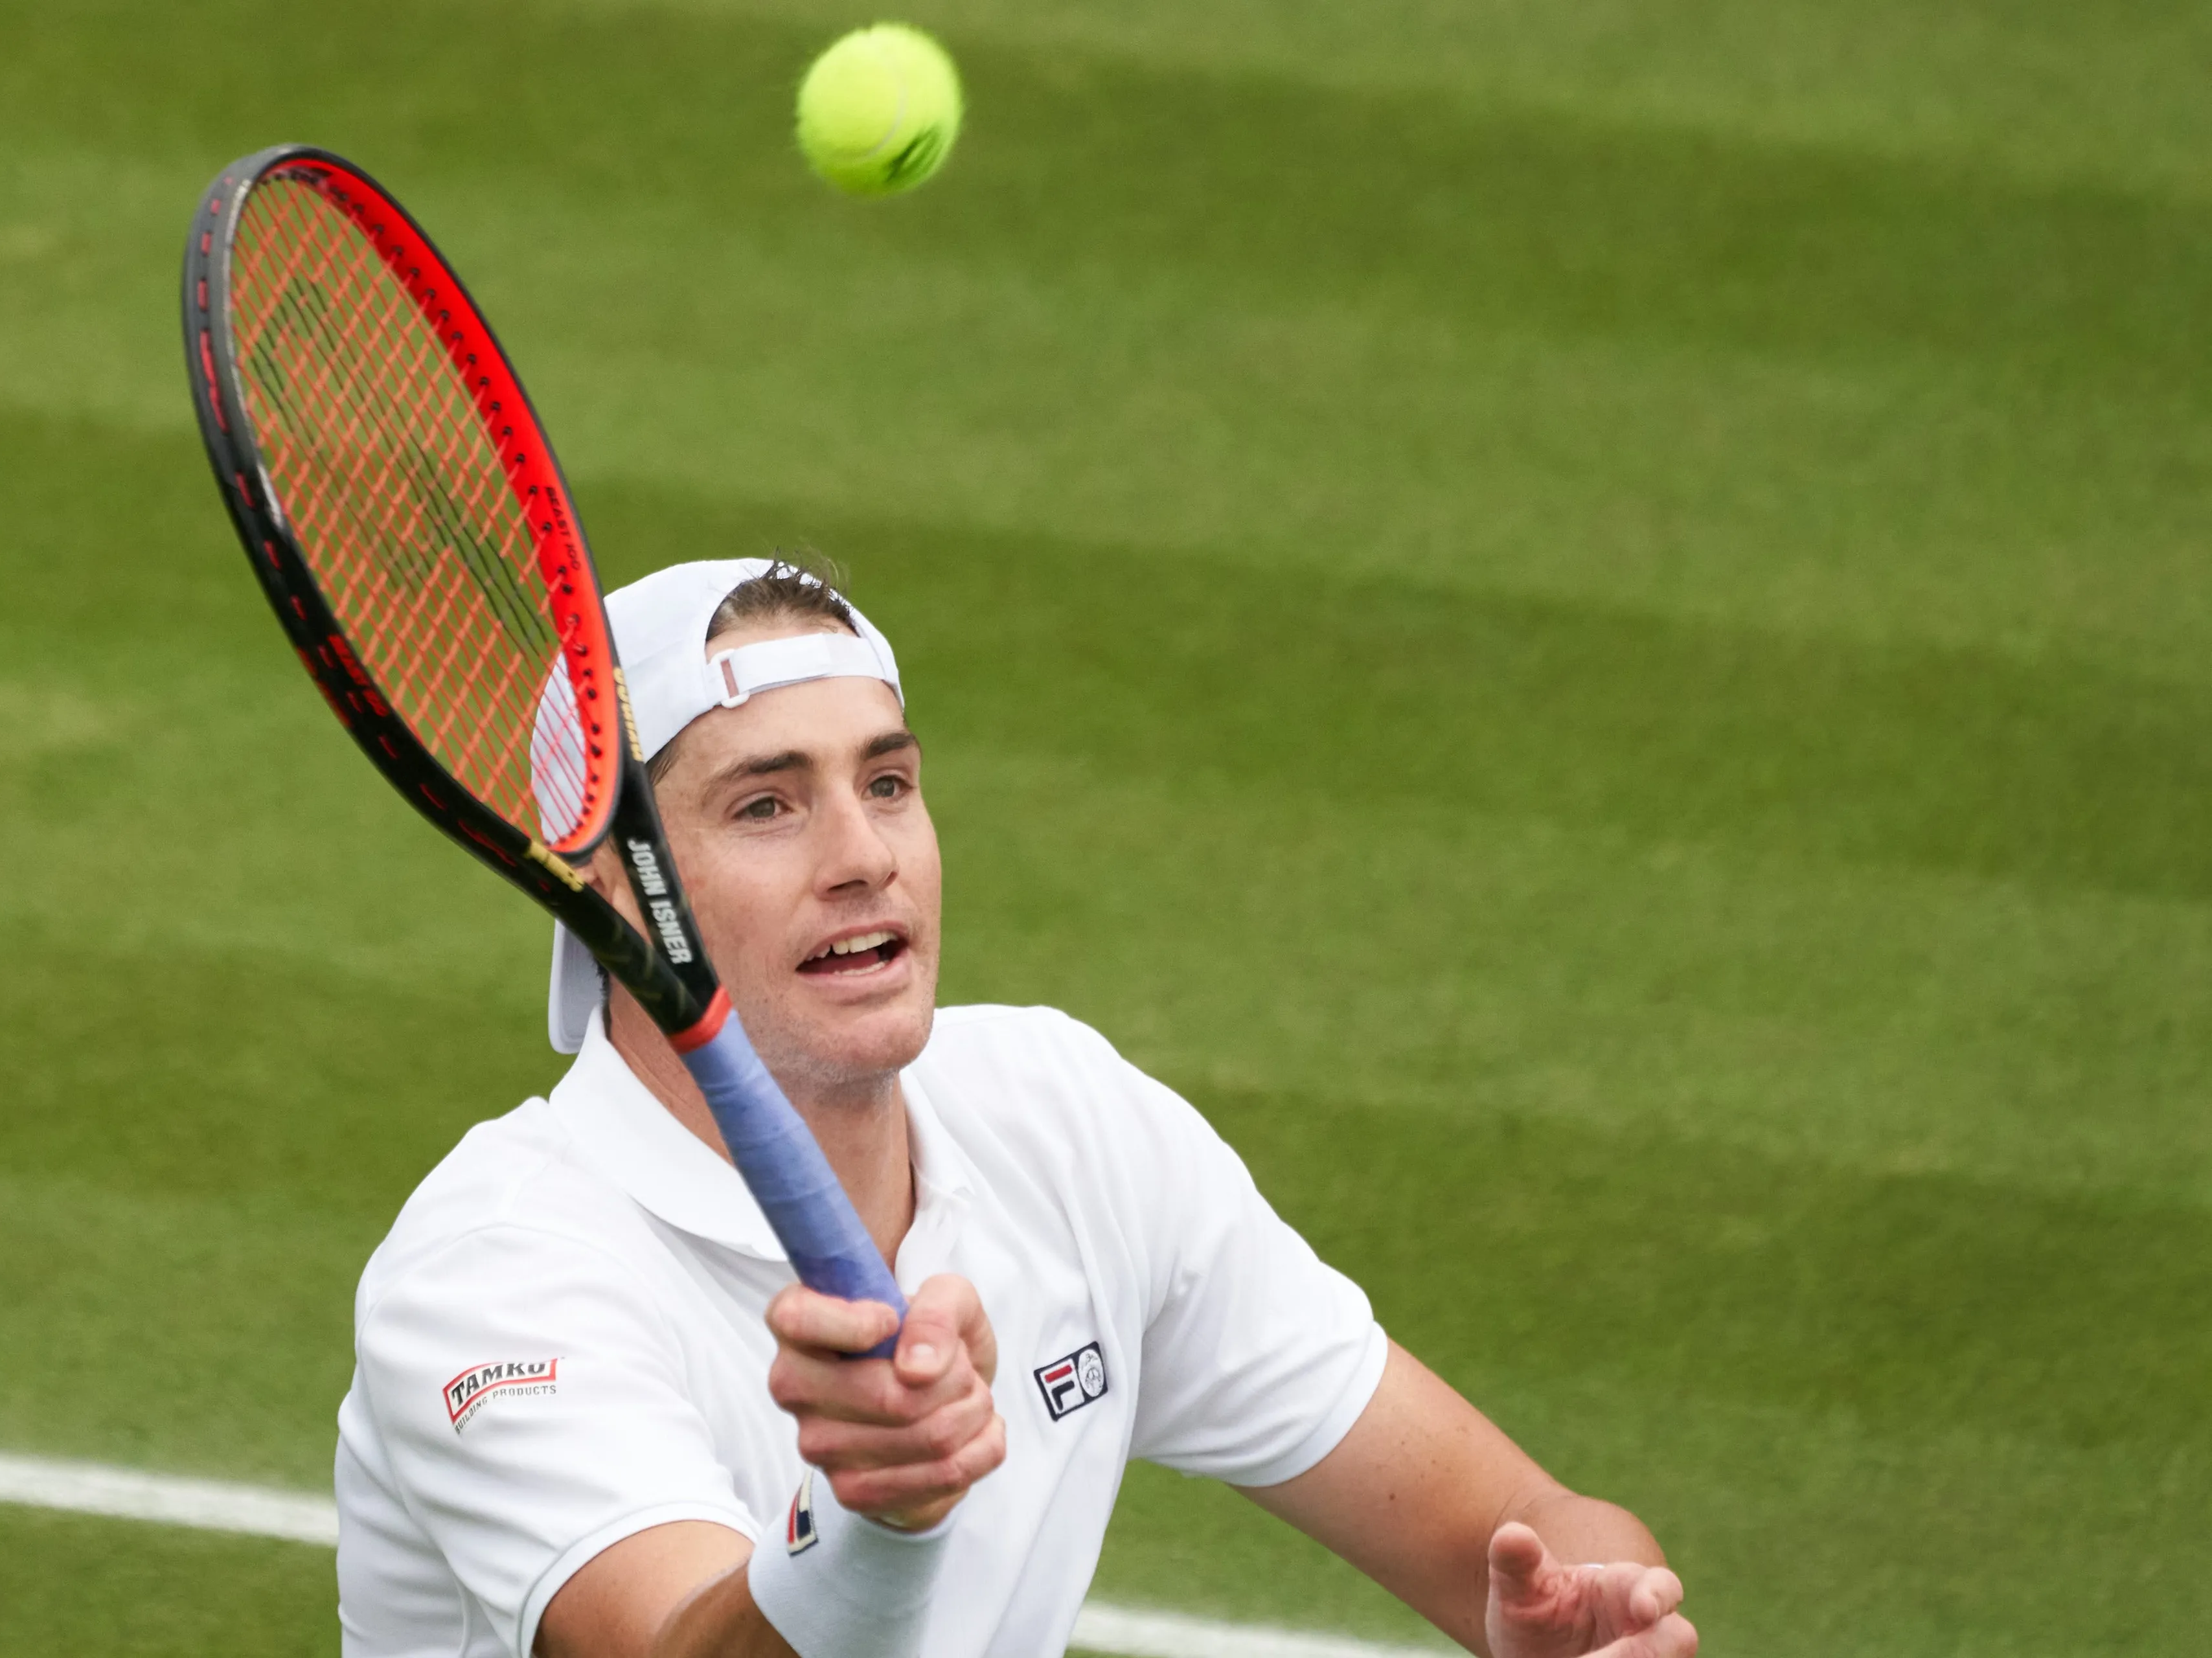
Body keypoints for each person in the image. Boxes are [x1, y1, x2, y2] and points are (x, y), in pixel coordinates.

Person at [333, 559, 1698, 1658]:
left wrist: (1586, 1614)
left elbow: (1514, 1526)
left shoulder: (1066, 1116)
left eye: (887, 782)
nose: (863, 856)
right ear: (614, 890)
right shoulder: (496, 1269)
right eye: (767, 805)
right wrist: (880, 1519)